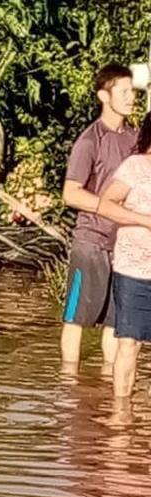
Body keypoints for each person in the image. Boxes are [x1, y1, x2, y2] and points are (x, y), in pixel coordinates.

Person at [60, 64, 137, 375]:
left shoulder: (134, 139)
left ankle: (107, 387)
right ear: (104, 96)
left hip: (124, 246)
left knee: (115, 323)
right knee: (77, 317)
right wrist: (110, 208)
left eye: (133, 91)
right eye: (125, 92)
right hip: (91, 242)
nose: (132, 98)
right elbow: (71, 194)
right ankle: (68, 384)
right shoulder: (89, 141)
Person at [97, 112, 151, 398]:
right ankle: (120, 411)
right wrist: (143, 219)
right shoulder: (135, 167)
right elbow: (105, 205)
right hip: (133, 269)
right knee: (130, 342)